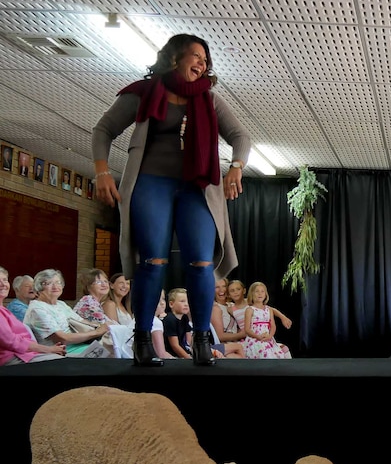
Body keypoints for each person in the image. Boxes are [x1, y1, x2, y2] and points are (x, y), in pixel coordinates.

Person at [92, 33, 251, 367]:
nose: (202, 63)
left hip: (197, 189)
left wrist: (236, 167)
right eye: (196, 55)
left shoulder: (210, 100)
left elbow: (240, 136)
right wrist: (102, 172)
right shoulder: (144, 93)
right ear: (174, 57)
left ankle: (203, 341)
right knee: (152, 262)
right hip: (152, 183)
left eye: (206, 59)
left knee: (202, 263)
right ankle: (142, 340)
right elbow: (103, 129)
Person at [23, 268, 109, 356]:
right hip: (61, 352)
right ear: (39, 287)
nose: (55, 286)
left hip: (79, 345)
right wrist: (97, 332)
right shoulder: (37, 309)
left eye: (58, 282)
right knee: (110, 350)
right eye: (49, 283)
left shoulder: (61, 304)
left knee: (114, 345)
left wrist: (105, 326)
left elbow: (83, 322)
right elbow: (62, 338)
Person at [0, 266, 66, 365]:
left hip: (25, 354)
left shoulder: (4, 309)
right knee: (65, 364)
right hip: (13, 358)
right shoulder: (32, 307)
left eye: (5, 280)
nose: (3, 284)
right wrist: (48, 349)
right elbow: (12, 342)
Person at [243, 282, 291, 359]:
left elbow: (273, 326)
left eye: (262, 291)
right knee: (265, 352)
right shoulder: (250, 310)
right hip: (254, 339)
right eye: (257, 291)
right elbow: (247, 329)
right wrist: (258, 337)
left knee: (279, 354)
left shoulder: (269, 309)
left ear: (266, 294)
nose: (260, 294)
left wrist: (270, 336)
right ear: (252, 294)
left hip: (268, 338)